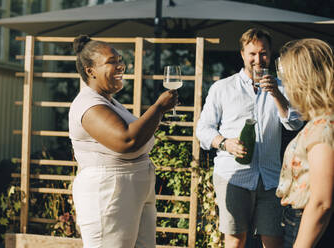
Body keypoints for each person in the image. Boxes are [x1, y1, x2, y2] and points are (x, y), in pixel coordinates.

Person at [196, 28, 303, 248]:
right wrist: (225, 143)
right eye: (252, 54)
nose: (258, 59)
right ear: (243, 54)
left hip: (271, 178)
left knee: (273, 241)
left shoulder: (282, 87)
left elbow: (294, 123)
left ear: (270, 54)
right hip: (233, 177)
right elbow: (203, 130)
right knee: (236, 241)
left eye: (263, 53)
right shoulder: (222, 88)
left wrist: (276, 95)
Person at [68, 35, 178, 248]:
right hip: (109, 195)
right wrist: (158, 108)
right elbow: (127, 140)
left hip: (133, 190)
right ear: (90, 71)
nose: (120, 66)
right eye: (112, 62)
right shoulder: (88, 104)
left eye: (120, 60)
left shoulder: (109, 101)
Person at [275, 38, 334, 248]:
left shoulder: (322, 127)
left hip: (309, 227)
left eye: (287, 80)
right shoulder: (320, 120)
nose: (286, 87)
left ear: (303, 80)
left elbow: (320, 202)